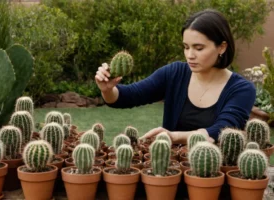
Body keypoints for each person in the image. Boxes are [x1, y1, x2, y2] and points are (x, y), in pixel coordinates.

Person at [94, 9, 256, 144]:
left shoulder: (242, 89)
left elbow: (222, 131)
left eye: (198, 48)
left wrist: (174, 136)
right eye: (186, 47)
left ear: (222, 47)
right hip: (170, 168)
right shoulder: (175, 73)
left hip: (213, 175)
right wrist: (108, 90)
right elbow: (129, 96)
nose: (190, 55)